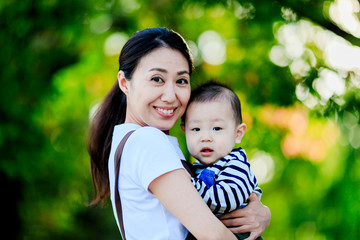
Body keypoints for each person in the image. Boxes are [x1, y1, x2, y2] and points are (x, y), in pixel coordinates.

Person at [87, 27, 270, 240]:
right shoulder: (147, 141)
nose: (170, 95)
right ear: (125, 83)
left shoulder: (130, 142)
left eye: (181, 81)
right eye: (157, 79)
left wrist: (257, 207)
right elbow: (214, 236)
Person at [181, 82, 264, 240]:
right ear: (185, 132)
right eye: (196, 129)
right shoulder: (197, 167)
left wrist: (187, 185)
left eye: (217, 128)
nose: (205, 137)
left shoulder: (236, 165)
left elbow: (225, 200)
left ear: (238, 133)